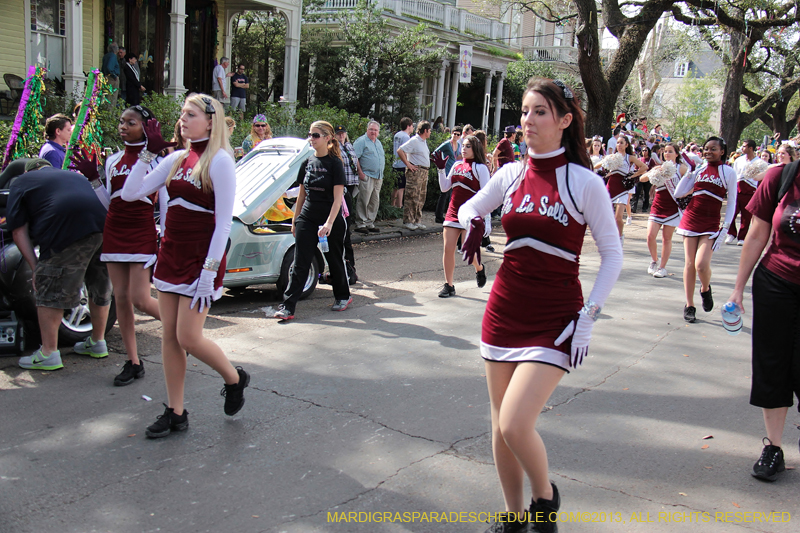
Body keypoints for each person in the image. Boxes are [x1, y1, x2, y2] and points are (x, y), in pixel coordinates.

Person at [458, 78, 622, 533]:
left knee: (514, 424)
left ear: (565, 121)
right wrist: (474, 223)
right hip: (503, 312)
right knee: (498, 427)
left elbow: (613, 254)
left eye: (540, 112)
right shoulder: (509, 174)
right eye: (525, 111)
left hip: (555, 320)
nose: (528, 121)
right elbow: (468, 208)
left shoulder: (584, 182)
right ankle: (512, 518)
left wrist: (588, 318)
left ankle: (545, 500)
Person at [121, 94, 249, 438]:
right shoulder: (176, 158)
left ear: (211, 120)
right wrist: (145, 153)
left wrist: (209, 272)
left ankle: (234, 378)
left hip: (200, 259)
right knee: (170, 338)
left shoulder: (220, 161)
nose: (183, 119)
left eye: (190, 114)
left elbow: (224, 222)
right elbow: (132, 193)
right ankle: (175, 411)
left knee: (188, 337)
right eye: (182, 114)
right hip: (171, 254)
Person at [71, 105, 168, 385]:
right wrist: (93, 180)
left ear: (146, 126)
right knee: (121, 299)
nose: (123, 126)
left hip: (141, 231)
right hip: (114, 231)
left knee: (140, 298)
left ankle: (184, 332)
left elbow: (165, 201)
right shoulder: (112, 160)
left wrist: (165, 232)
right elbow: (110, 202)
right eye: (122, 121)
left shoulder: (156, 160)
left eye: (131, 122)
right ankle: (133, 361)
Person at [727, 156, 800, 482]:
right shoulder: (781, 177)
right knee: (773, 365)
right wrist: (738, 289)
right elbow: (757, 234)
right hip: (777, 283)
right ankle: (774, 448)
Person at [6, 159, 111, 371]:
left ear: (29, 171)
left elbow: (18, 231)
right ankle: (98, 342)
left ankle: (48, 353)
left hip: (65, 228)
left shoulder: (21, 181)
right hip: (105, 226)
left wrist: (36, 267)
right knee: (99, 284)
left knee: (49, 284)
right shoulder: (72, 176)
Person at [270, 121, 351, 320]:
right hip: (308, 217)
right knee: (300, 261)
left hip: (329, 218)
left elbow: (338, 198)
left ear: (327, 138)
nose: (311, 139)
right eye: (310, 135)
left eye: (315, 135)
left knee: (334, 259)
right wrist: (295, 220)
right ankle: (288, 307)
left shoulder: (335, 164)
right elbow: (301, 195)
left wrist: (329, 223)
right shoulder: (307, 163)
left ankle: (343, 295)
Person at [674, 136, 736, 323]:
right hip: (691, 218)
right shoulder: (698, 170)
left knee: (701, 264)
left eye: (713, 149)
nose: (708, 152)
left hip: (711, 222)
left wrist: (726, 226)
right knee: (689, 264)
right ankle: (689, 304)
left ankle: (705, 288)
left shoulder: (728, 172)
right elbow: (678, 193)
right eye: (706, 149)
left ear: (722, 151)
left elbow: (732, 201)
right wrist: (689, 173)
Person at [435, 134, 488, 297]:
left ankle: (479, 269)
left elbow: (487, 195)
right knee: (448, 248)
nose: (463, 149)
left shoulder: (481, 168)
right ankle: (449, 285)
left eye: (468, 146)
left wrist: (487, 221)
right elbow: (444, 187)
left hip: (471, 214)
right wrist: (441, 169)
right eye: (463, 146)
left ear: (476, 149)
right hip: (452, 212)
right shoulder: (457, 164)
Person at [640, 142, 687, 278]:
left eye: (670, 151)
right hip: (658, 205)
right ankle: (654, 260)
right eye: (665, 151)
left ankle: (662, 267)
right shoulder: (658, 167)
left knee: (667, 238)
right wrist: (654, 172)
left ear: (677, 154)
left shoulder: (681, 168)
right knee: (650, 236)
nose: (667, 153)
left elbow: (691, 183)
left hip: (672, 206)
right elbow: (643, 178)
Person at [596, 133, 647, 243]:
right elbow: (597, 165)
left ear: (626, 145)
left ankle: (619, 236)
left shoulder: (630, 158)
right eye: (618, 143)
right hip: (611, 186)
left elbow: (644, 167)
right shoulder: (611, 157)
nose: (619, 145)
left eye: (621, 143)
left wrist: (632, 175)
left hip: (623, 188)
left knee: (618, 217)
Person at [334, 124, 360, 282]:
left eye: (343, 133)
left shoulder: (349, 145)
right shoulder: (333, 148)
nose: (341, 135)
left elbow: (355, 161)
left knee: (345, 230)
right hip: (338, 188)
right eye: (339, 133)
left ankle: (349, 268)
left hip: (349, 188)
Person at [397, 121, 432, 230]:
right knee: (412, 196)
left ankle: (417, 220)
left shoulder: (423, 141)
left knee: (421, 197)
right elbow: (400, 150)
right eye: (429, 130)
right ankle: (408, 221)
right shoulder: (415, 140)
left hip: (424, 172)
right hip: (416, 172)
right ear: (425, 130)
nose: (430, 133)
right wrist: (408, 164)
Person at [353, 121, 385, 232]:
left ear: (378, 132)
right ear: (367, 130)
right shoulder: (361, 141)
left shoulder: (378, 143)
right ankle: (361, 223)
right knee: (364, 200)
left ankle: (369, 222)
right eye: (371, 129)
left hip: (378, 176)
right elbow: (354, 158)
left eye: (375, 130)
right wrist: (360, 173)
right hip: (366, 175)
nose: (373, 132)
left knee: (374, 201)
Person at [727, 139, 759, 245]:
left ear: (751, 148)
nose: (742, 148)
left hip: (750, 191)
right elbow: (734, 174)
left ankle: (742, 237)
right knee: (732, 213)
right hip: (737, 190)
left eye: (744, 146)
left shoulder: (758, 162)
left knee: (746, 217)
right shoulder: (738, 160)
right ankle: (731, 233)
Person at [433, 126, 462, 224]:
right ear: (451, 133)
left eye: (458, 134)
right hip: (445, 171)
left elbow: (457, 156)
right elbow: (435, 152)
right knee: (444, 193)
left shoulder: (458, 145)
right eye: (454, 133)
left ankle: (446, 214)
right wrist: (442, 162)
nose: (456, 136)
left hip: (453, 171)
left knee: (450, 194)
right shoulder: (446, 144)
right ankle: (439, 215)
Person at [391, 117, 413, 209]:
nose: (412, 128)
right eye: (412, 126)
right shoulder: (406, 137)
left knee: (395, 186)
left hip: (395, 163)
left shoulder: (397, 135)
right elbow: (404, 151)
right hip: (402, 164)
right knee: (401, 187)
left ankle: (392, 205)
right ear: (408, 126)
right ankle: (399, 206)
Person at [632, 144, 660, 213]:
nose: (644, 152)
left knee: (646, 193)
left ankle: (645, 207)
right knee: (636, 192)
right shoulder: (639, 159)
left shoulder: (651, 160)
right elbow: (635, 168)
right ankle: (634, 207)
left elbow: (654, 168)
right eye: (643, 150)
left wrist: (648, 173)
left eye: (646, 150)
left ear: (648, 151)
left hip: (647, 178)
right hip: (639, 178)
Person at [101, 43, 121, 109]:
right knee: (112, 98)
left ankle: (105, 112)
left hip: (105, 77)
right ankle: (110, 115)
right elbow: (109, 67)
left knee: (106, 96)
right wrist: (114, 75)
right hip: (112, 78)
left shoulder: (106, 56)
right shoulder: (113, 56)